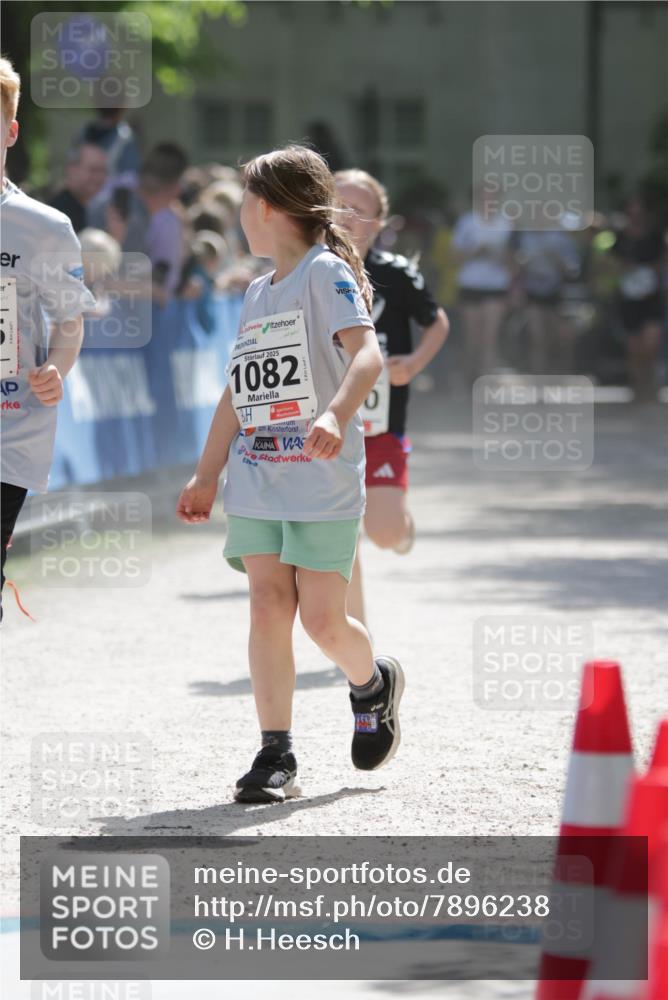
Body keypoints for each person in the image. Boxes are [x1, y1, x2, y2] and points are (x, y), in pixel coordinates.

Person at [176, 145, 404, 803]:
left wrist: (335, 415)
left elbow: (365, 358)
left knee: (324, 624)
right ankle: (276, 753)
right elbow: (236, 390)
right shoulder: (256, 291)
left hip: (322, 478)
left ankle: (372, 683)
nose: (242, 211)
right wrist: (206, 473)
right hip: (258, 476)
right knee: (268, 603)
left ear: (267, 208)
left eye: (246, 198)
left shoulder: (325, 272)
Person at [0, 56, 96, 611]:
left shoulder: (44, 227)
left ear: (11, 131)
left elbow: (69, 321)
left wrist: (57, 367)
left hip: (9, 429)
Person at [334, 169, 449, 627]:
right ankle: (353, 639)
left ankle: (399, 526)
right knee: (344, 535)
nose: (347, 217)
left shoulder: (397, 274)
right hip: (328, 423)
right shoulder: (308, 270)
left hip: (382, 423)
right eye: (338, 205)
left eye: (359, 211)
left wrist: (414, 363)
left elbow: (436, 321)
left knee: (381, 533)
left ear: (379, 224)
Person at [452, 188, 513, 382]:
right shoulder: (466, 222)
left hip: (496, 286)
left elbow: (515, 260)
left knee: (490, 338)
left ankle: (485, 382)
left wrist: (498, 254)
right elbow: (455, 257)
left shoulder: (507, 224)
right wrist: (475, 252)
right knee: (472, 339)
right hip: (470, 285)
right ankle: (468, 379)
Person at [612, 195, 667, 402]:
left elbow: (663, 258)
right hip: (629, 298)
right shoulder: (620, 236)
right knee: (634, 347)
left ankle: (651, 386)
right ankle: (637, 388)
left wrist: (650, 271)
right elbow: (611, 261)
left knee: (651, 345)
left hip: (651, 297)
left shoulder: (655, 235)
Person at [514, 209, 581, 373]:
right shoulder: (526, 238)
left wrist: (557, 260)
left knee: (557, 338)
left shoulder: (561, 239)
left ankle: (557, 372)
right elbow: (516, 264)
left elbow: (573, 269)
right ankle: (538, 375)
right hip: (533, 292)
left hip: (557, 293)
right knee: (537, 338)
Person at [48, 142, 108, 233]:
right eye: (93, 170)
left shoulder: (95, 210)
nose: (98, 177)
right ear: (72, 170)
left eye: (102, 170)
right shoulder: (59, 214)